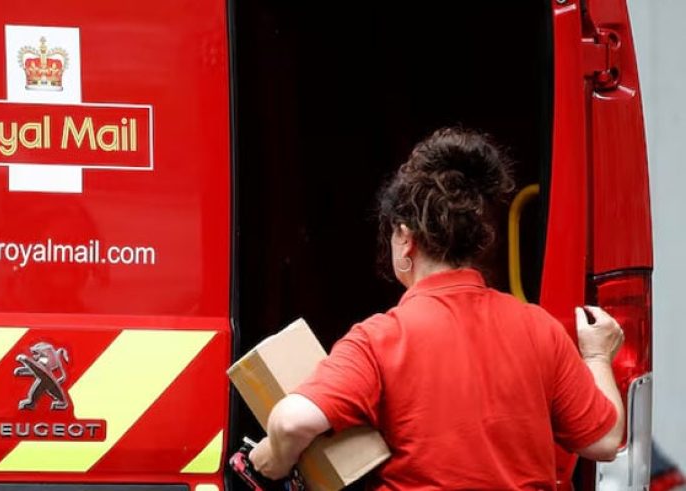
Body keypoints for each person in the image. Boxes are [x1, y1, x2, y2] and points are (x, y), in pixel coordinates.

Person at [248, 128, 625, 489]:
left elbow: (291, 423)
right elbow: (606, 440)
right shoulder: (538, 327)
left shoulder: (381, 339)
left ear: (406, 240)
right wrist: (596, 354)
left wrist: (272, 462)